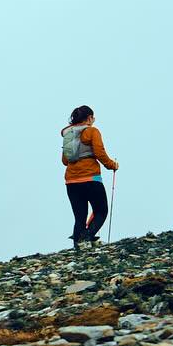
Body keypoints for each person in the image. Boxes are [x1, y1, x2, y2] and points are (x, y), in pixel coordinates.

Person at [61, 105, 119, 248]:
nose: (94, 120)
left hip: (71, 181)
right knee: (101, 210)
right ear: (89, 118)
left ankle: (78, 246)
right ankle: (87, 238)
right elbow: (100, 153)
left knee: (79, 217)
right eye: (93, 117)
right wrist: (112, 165)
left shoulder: (68, 135)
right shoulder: (92, 131)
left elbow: (64, 161)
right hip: (91, 179)